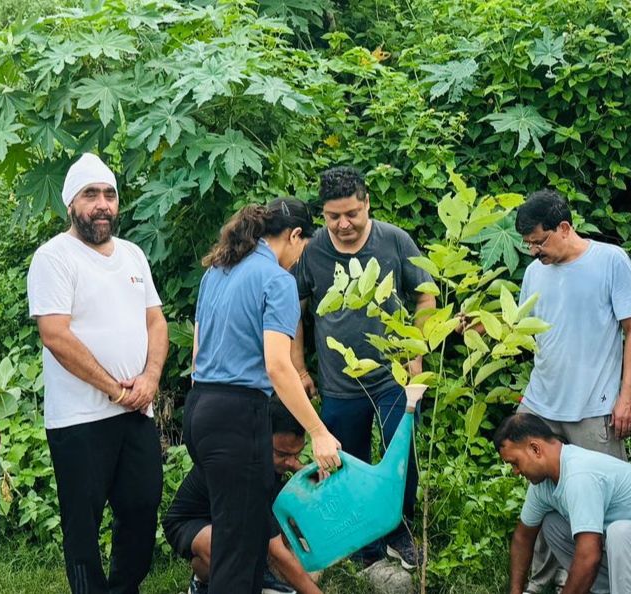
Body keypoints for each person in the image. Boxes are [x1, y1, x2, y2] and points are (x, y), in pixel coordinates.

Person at [27, 153, 169, 594]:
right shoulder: (53, 258)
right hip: (79, 421)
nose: (102, 204)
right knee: (82, 526)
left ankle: (124, 589)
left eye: (109, 194)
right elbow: (55, 335)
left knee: (143, 508)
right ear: (71, 204)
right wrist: (115, 389)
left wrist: (149, 379)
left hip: (136, 412)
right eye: (91, 195)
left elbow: (156, 322)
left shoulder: (132, 254)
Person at [189, 196, 341, 594]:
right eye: (303, 246)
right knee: (240, 553)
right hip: (237, 416)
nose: (299, 257)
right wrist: (318, 431)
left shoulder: (217, 272)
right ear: (294, 235)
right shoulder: (277, 280)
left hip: (201, 409)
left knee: (243, 537)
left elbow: (197, 354)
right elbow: (277, 365)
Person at [291, 166, 433, 568]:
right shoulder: (313, 249)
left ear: (367, 203)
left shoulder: (394, 241)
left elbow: (425, 297)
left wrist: (415, 354)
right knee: (344, 466)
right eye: (334, 216)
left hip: (394, 380)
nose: (344, 224)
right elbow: (295, 310)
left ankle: (400, 535)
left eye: (352, 213)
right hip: (339, 384)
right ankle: (364, 547)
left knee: (401, 459)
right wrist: (300, 368)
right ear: (322, 214)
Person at [512, 188, 631, 592]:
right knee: (545, 497)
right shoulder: (535, 272)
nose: (535, 251)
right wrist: (481, 325)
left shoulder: (609, 261)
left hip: (594, 407)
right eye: (529, 245)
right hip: (542, 405)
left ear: (564, 227)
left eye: (540, 241)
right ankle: (542, 583)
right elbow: (521, 328)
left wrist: (629, 395)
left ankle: (607, 582)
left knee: (604, 504)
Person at [495, 414, 631, 594]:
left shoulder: (580, 475)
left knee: (621, 532)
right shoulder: (543, 484)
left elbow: (589, 555)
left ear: (535, 449)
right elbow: (523, 537)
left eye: (515, 463)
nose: (515, 471)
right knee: (552, 524)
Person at [165, 400, 323, 594]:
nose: (290, 462)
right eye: (282, 454)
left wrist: (313, 476)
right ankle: (208, 583)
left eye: (296, 454)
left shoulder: (267, 452)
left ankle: (224, 572)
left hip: (234, 517)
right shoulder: (244, 465)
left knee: (291, 525)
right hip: (193, 521)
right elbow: (276, 551)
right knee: (229, 548)